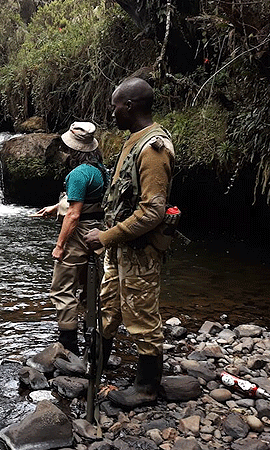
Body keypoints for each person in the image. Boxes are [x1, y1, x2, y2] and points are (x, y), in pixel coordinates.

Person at [84, 78, 175, 409]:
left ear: (131, 106)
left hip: (140, 251)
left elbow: (153, 212)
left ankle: (147, 387)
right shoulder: (133, 141)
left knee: (141, 315)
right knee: (108, 306)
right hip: (120, 249)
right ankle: (95, 364)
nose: (112, 111)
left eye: (116, 105)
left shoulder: (154, 149)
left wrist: (105, 236)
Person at [35, 121, 108, 355]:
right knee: (90, 287)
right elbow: (87, 202)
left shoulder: (78, 173)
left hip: (79, 234)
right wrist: (56, 207)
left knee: (62, 288)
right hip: (98, 230)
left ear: (72, 149)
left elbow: (74, 214)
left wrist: (59, 246)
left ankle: (68, 344)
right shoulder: (99, 169)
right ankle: (93, 339)